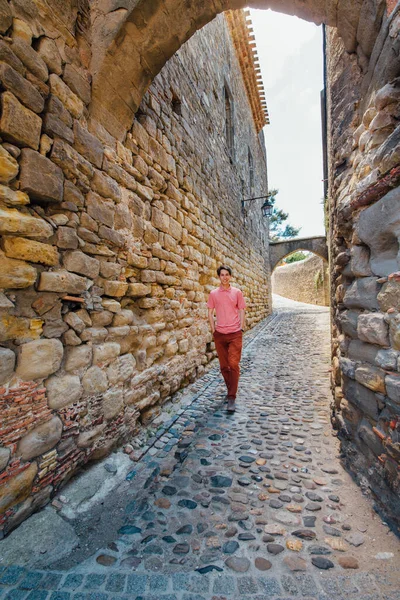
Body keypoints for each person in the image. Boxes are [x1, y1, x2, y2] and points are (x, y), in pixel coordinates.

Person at [207, 265, 246, 413]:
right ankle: (230, 389)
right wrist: (213, 329)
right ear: (219, 277)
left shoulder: (237, 293)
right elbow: (210, 312)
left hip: (235, 333)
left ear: (230, 276)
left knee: (233, 364)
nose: (225, 277)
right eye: (222, 275)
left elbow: (242, 309)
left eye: (227, 274)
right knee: (224, 367)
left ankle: (231, 397)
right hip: (220, 335)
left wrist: (241, 327)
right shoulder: (213, 294)